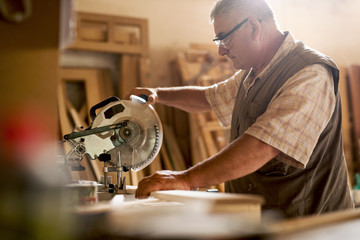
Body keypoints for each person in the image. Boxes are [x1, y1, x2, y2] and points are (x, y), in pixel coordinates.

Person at [126, 0, 354, 218]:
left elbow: (263, 145)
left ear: (254, 27)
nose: (221, 52)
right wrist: (158, 94)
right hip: (265, 218)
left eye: (225, 40)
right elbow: (209, 98)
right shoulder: (253, 73)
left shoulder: (309, 73)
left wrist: (186, 179)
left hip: (311, 226)